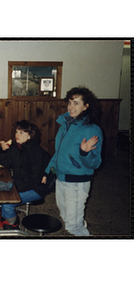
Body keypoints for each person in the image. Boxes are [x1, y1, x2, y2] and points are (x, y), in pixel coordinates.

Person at [42, 87, 103, 236]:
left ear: (86, 106)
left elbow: (95, 163)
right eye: (69, 103)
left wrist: (84, 153)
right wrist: (47, 171)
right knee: (65, 216)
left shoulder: (91, 130)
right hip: (61, 178)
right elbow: (59, 153)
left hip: (77, 182)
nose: (71, 107)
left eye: (76, 103)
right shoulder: (65, 125)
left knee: (72, 226)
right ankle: (79, 223)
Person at [0, 120, 50, 230]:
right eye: (17, 132)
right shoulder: (16, 147)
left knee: (7, 202)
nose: (17, 135)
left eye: (22, 133)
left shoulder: (36, 152)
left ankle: (12, 225)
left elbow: (34, 180)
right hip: (20, 182)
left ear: (30, 136)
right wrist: (2, 151)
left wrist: (13, 189)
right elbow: (4, 162)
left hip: (36, 188)